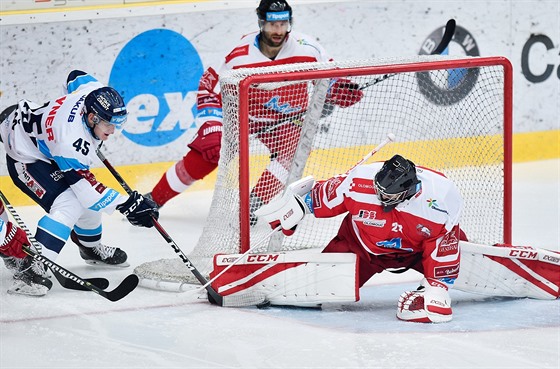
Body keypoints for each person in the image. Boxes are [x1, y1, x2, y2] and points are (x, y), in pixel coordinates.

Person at [145, 0, 363, 222]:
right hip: (240, 116)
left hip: (284, 120)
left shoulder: (308, 48)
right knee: (207, 154)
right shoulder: (239, 55)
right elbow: (208, 88)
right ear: (261, 23)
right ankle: (153, 200)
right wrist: (211, 126)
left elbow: (331, 77)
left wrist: (340, 90)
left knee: (294, 153)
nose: (278, 31)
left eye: (283, 24)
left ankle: (253, 207)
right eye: (271, 25)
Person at [0, 70, 159, 296]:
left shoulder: (92, 92)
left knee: (82, 199)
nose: (112, 131)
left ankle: (90, 247)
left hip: (40, 141)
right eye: (108, 125)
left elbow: (75, 76)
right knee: (70, 203)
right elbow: (87, 193)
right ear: (92, 117)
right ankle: (32, 267)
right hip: (25, 156)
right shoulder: (69, 140)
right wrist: (129, 204)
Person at [256, 154, 464, 323]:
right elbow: (323, 196)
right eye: (378, 191)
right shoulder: (360, 180)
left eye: (388, 196)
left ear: (407, 191)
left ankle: (480, 260)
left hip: (418, 253)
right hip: (361, 249)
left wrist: (436, 287)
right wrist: (298, 207)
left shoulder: (440, 200)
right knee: (317, 289)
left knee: (454, 265)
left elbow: (443, 245)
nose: (380, 198)